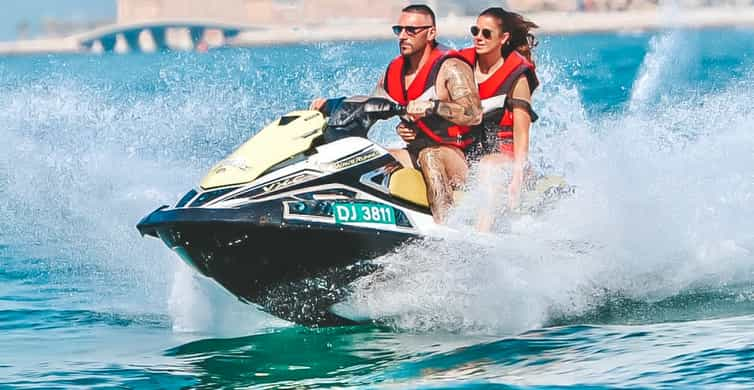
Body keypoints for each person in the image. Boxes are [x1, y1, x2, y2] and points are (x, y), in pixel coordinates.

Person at [312, 5, 482, 223]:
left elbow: (473, 113)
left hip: (461, 160)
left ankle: (446, 230)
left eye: (411, 30)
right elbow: (369, 105)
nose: (402, 36)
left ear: (431, 33)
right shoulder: (394, 70)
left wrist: (433, 106)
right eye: (399, 30)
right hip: (416, 152)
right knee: (365, 157)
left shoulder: (451, 67)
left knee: (430, 155)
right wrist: (330, 105)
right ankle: (338, 214)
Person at [456, 7, 540, 232]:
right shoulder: (461, 65)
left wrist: (518, 175)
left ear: (503, 38)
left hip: (506, 156)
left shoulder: (517, 76)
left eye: (486, 33)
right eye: (476, 31)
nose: (478, 37)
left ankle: (481, 235)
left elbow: (522, 132)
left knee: (487, 167)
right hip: (468, 151)